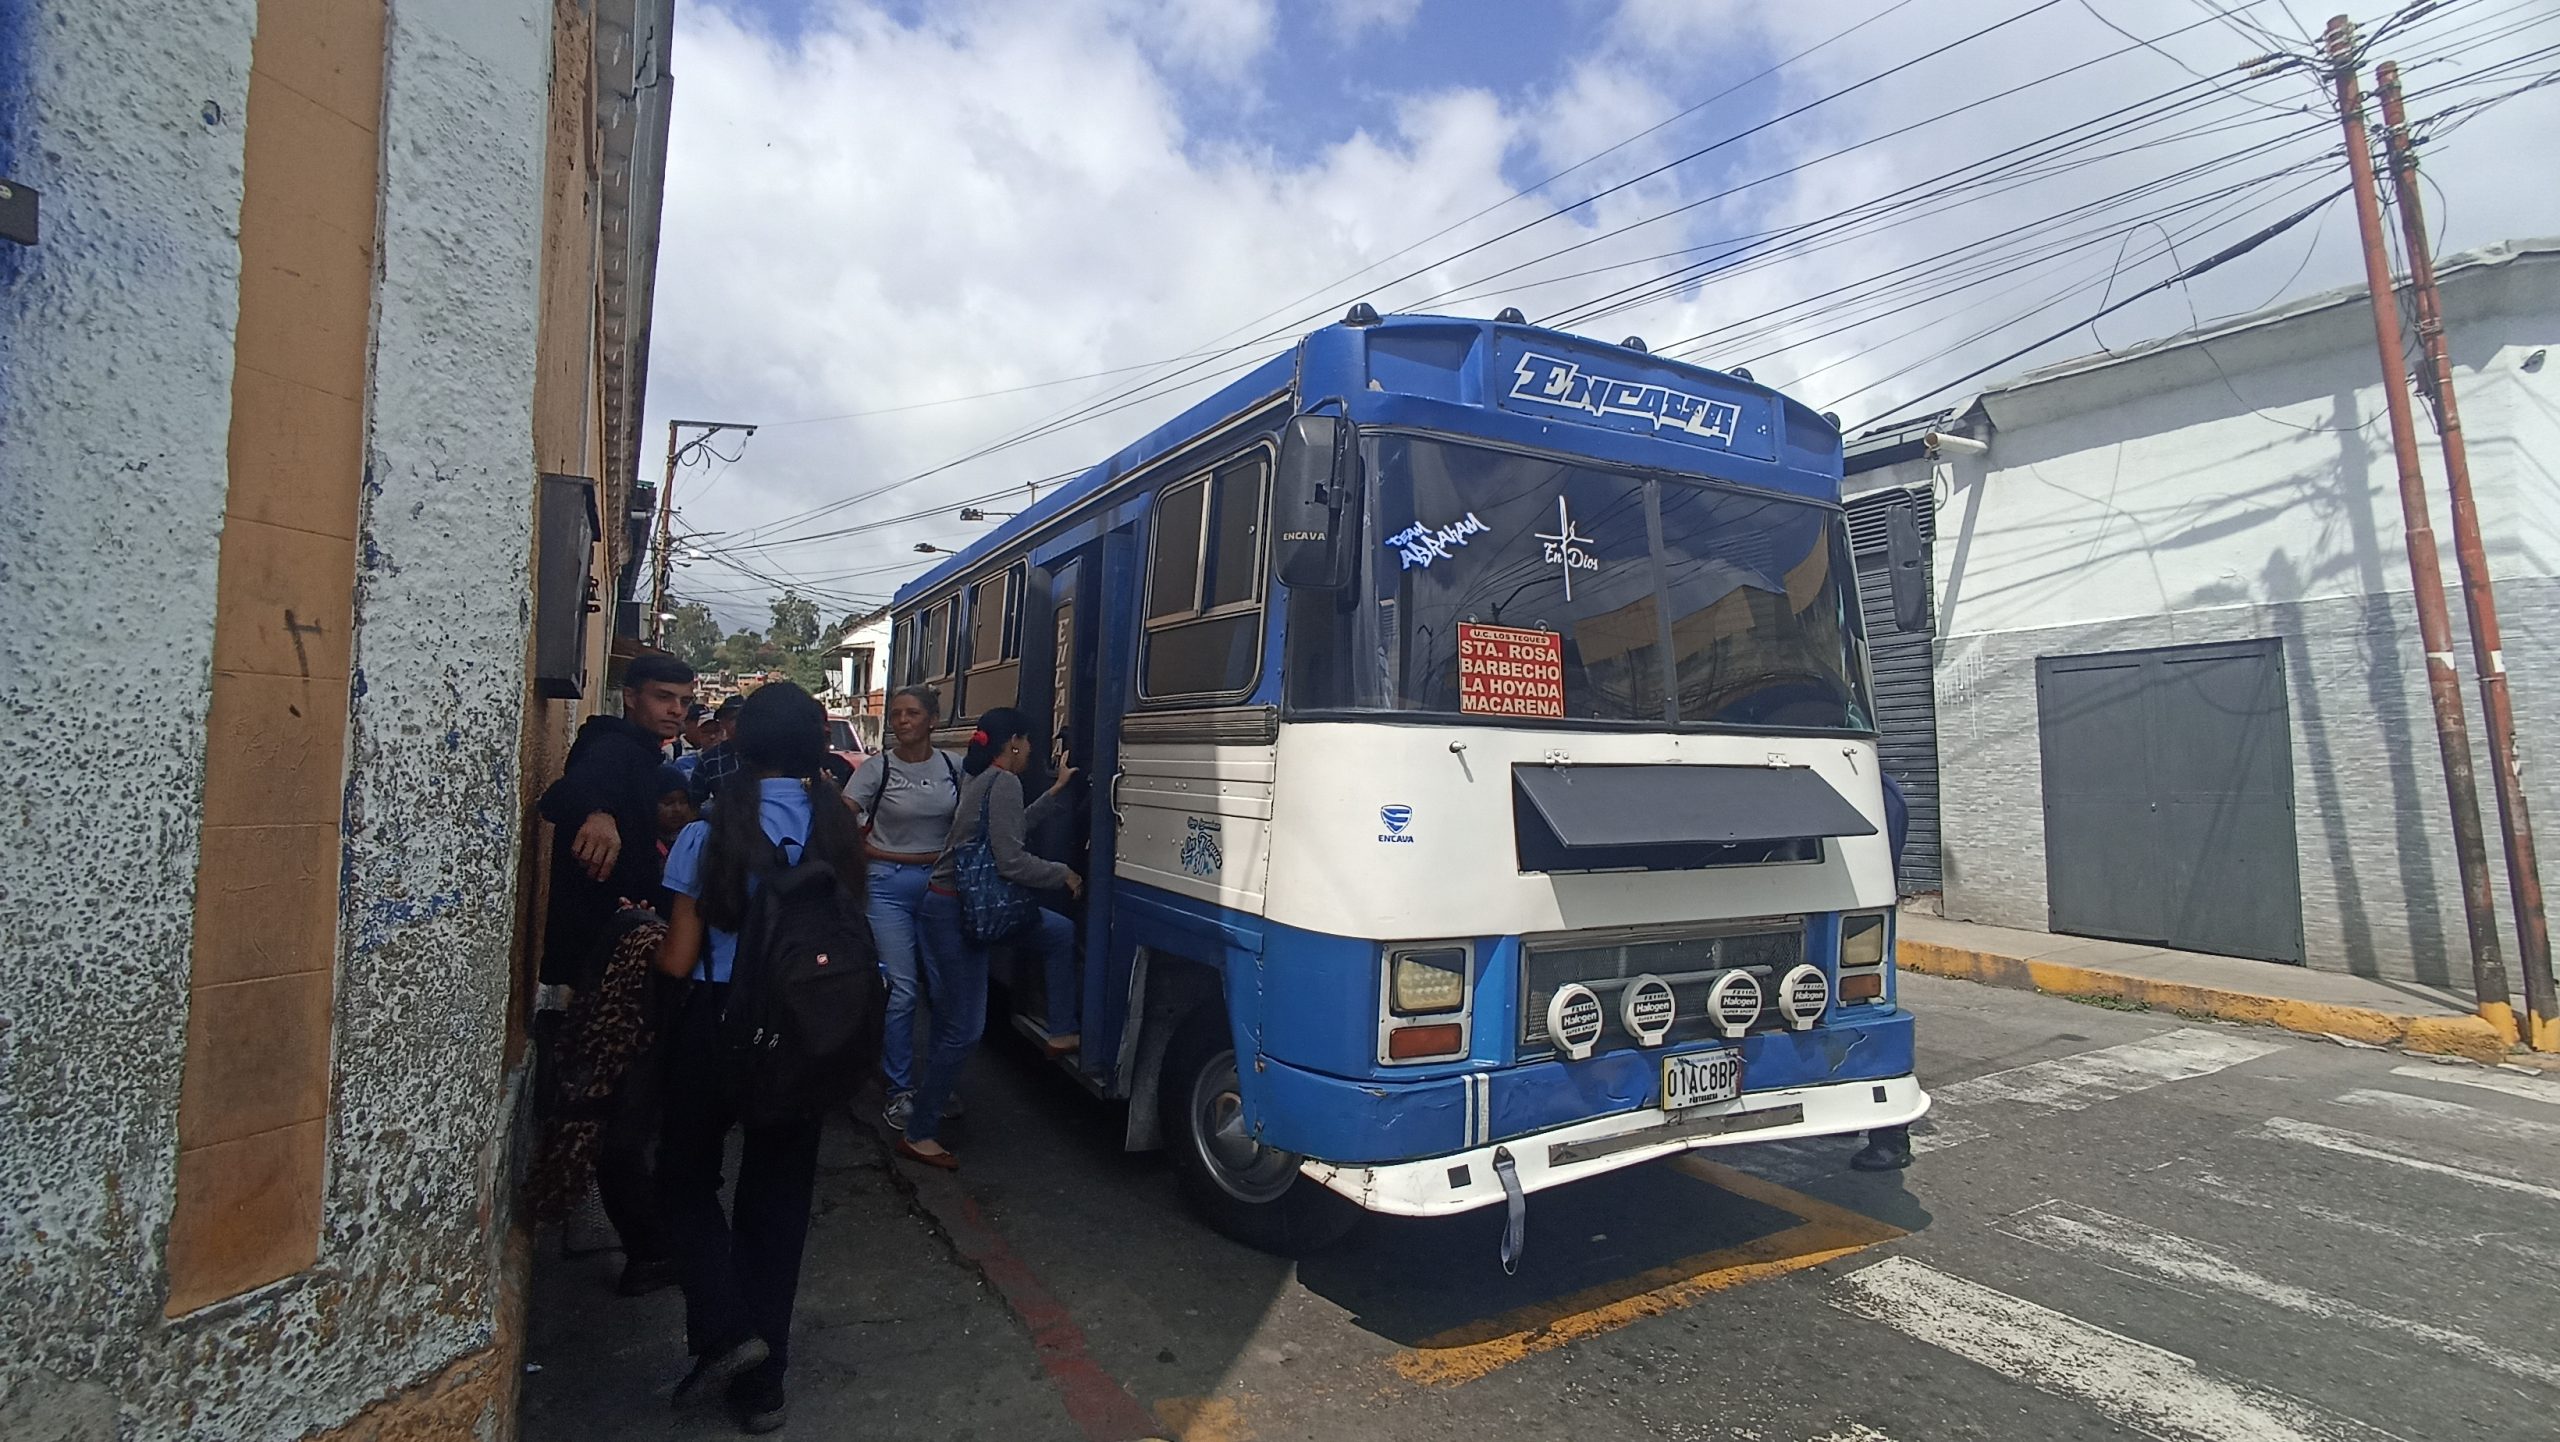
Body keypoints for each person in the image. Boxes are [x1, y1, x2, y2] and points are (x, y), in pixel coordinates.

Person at [653, 682, 868, 1433]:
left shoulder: (707, 832)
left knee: (682, 1177)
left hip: (716, 1024)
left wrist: (637, 941)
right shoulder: (839, 830)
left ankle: (724, 1327)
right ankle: (763, 1387)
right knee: (777, 1202)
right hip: (806, 1031)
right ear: (816, 746)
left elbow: (678, 960)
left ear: (739, 744)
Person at [901, 708, 1079, 1171]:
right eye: (1029, 741)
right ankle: (919, 1131)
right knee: (964, 1029)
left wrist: (1056, 791)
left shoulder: (983, 777)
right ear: (1013, 742)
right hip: (962, 912)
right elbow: (1011, 861)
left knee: (1056, 935)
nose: (1032, 750)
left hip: (956, 907)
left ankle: (1061, 1031)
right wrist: (1062, 873)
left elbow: (1008, 828)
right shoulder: (1004, 782)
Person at [539, 653, 696, 992]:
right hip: (597, 947)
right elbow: (557, 798)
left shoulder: (640, 752)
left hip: (616, 934)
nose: (676, 710)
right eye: (664, 697)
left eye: (685, 701)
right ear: (631, 697)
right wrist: (598, 812)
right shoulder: (614, 746)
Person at [849, 686, 966, 1133]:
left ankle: (937, 1083)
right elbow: (843, 813)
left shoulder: (954, 768)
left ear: (932, 720)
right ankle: (899, 1089)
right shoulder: (877, 769)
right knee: (902, 991)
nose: (902, 721)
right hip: (887, 886)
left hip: (942, 887)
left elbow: (973, 820)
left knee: (944, 991)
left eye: (912, 713)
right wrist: (865, 852)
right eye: (896, 714)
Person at [1852, 770, 1914, 1173]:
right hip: (1858, 918)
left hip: (1858, 919)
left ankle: (1891, 1136)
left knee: (1867, 1018)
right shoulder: (1880, 787)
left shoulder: (1875, 790)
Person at [687, 694, 749, 807]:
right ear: (722, 724)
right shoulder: (709, 760)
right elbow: (694, 804)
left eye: (743, 716)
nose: (738, 722)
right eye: (732, 718)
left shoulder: (767, 752)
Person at [671, 704, 722, 776]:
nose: (712, 736)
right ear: (699, 733)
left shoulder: (732, 760)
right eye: (706, 732)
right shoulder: (682, 763)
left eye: (717, 731)